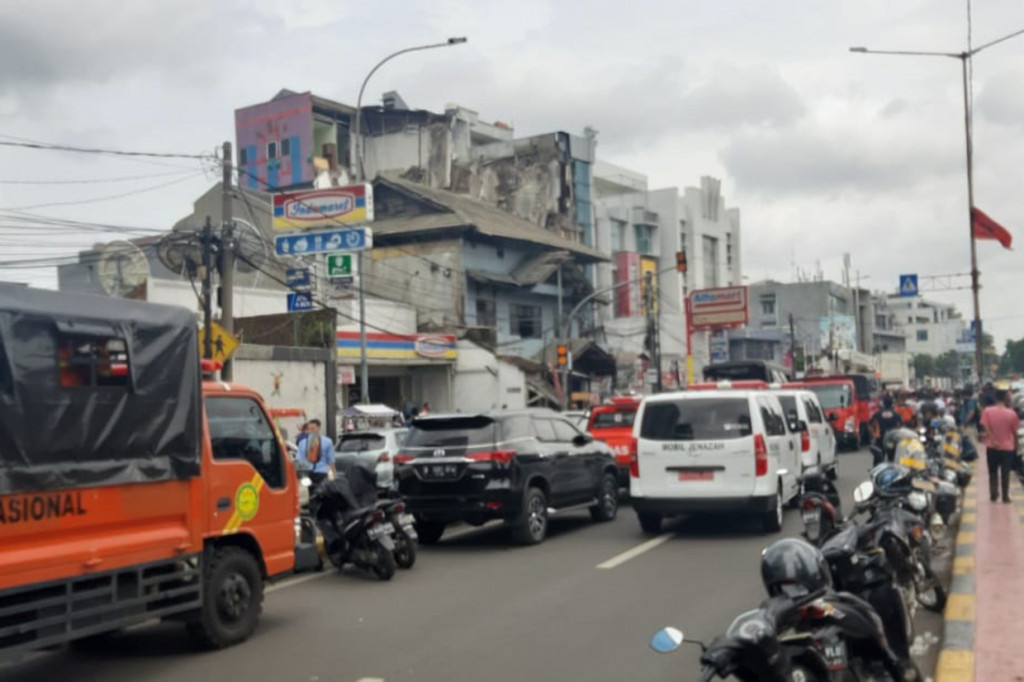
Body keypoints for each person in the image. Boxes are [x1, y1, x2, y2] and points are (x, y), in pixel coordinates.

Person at [979, 389, 1020, 503]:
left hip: (992, 447)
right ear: (1006, 399)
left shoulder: (987, 411)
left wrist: (993, 439)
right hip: (1007, 447)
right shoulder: (1011, 413)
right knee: (1005, 472)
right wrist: (1016, 445)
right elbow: (1015, 432)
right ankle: (1005, 496)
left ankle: (993, 494)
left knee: (992, 471)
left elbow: (986, 427)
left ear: (995, 398)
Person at [296, 418, 335, 488]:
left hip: (322, 473)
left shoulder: (328, 442)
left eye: (313, 428)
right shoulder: (302, 443)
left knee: (321, 494)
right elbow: (299, 460)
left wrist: (334, 475)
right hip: (308, 473)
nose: (310, 431)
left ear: (318, 428)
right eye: (309, 428)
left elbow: (331, 460)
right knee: (310, 494)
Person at [869, 395, 904, 465]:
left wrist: (873, 434)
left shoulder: (877, 414)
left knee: (878, 460)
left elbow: (870, 424)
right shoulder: (896, 414)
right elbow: (900, 426)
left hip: (880, 438)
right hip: (893, 439)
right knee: (893, 459)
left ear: (883, 403)